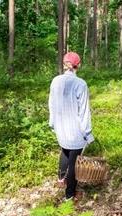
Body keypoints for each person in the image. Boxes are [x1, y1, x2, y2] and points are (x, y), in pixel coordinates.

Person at [48, 52, 94, 200]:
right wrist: (88, 132)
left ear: (64, 64)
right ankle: (69, 195)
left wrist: (52, 123)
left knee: (65, 151)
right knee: (74, 162)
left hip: (61, 127)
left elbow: (51, 104)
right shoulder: (80, 84)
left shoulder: (55, 81)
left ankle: (62, 179)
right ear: (78, 65)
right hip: (76, 131)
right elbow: (84, 111)